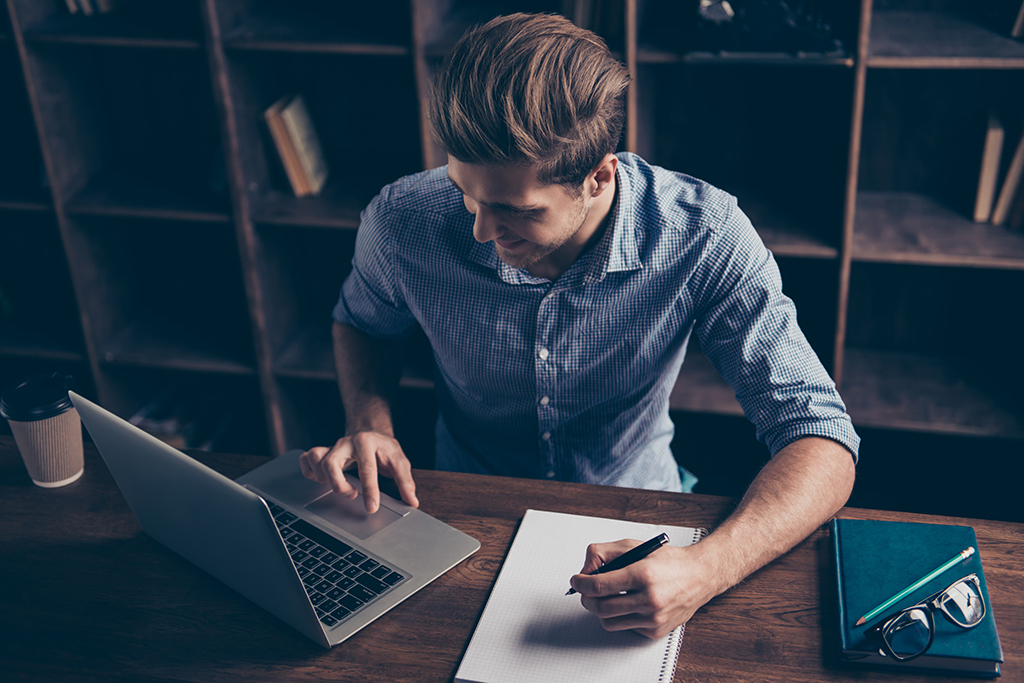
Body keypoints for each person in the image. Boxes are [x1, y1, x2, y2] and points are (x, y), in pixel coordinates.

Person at [300, 12, 859, 639]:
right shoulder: (402, 219)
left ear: (598, 176)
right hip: (458, 509)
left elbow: (821, 438)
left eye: (514, 210)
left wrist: (705, 570)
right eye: (464, 192)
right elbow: (363, 324)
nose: (481, 230)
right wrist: (369, 425)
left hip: (636, 517)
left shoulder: (705, 236)